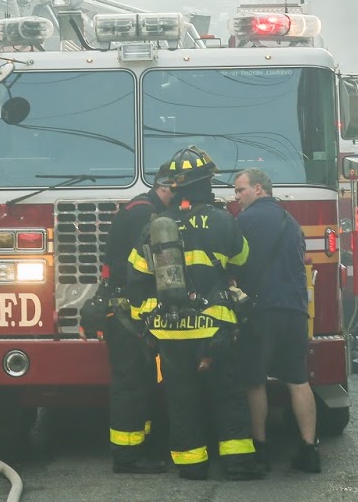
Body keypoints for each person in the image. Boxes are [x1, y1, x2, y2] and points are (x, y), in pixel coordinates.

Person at [127, 147, 252, 482]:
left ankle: (191, 465)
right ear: (208, 182)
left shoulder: (157, 227)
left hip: (171, 331)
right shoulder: (225, 221)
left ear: (177, 186)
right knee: (227, 394)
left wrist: (148, 318)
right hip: (215, 327)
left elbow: (136, 278)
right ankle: (238, 463)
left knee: (181, 398)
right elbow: (243, 261)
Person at [234, 168, 321, 476]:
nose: (236, 197)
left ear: (258, 189)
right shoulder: (292, 222)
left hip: (262, 312)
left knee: (255, 381)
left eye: (240, 190)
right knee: (298, 380)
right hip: (296, 312)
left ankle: (259, 451)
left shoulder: (244, 222)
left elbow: (234, 264)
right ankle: (310, 451)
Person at [100, 174, 174, 474]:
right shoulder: (148, 215)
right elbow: (146, 267)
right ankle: (127, 457)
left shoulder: (135, 209)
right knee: (131, 381)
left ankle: (138, 447)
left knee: (139, 380)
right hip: (128, 312)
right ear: (165, 187)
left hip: (123, 309)